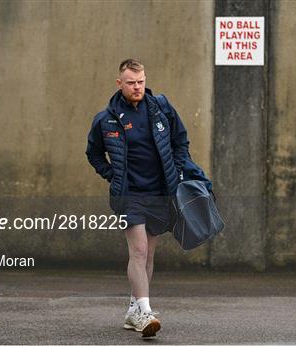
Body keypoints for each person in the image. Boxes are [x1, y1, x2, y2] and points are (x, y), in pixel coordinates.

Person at [86, 58, 209, 338]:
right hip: (128, 195)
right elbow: (93, 153)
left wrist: (184, 170)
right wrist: (111, 174)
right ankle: (145, 311)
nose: (137, 87)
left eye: (141, 81)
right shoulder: (105, 119)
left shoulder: (161, 108)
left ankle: (133, 310)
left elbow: (181, 143)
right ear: (120, 83)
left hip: (159, 193)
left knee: (149, 254)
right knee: (138, 251)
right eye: (131, 83)